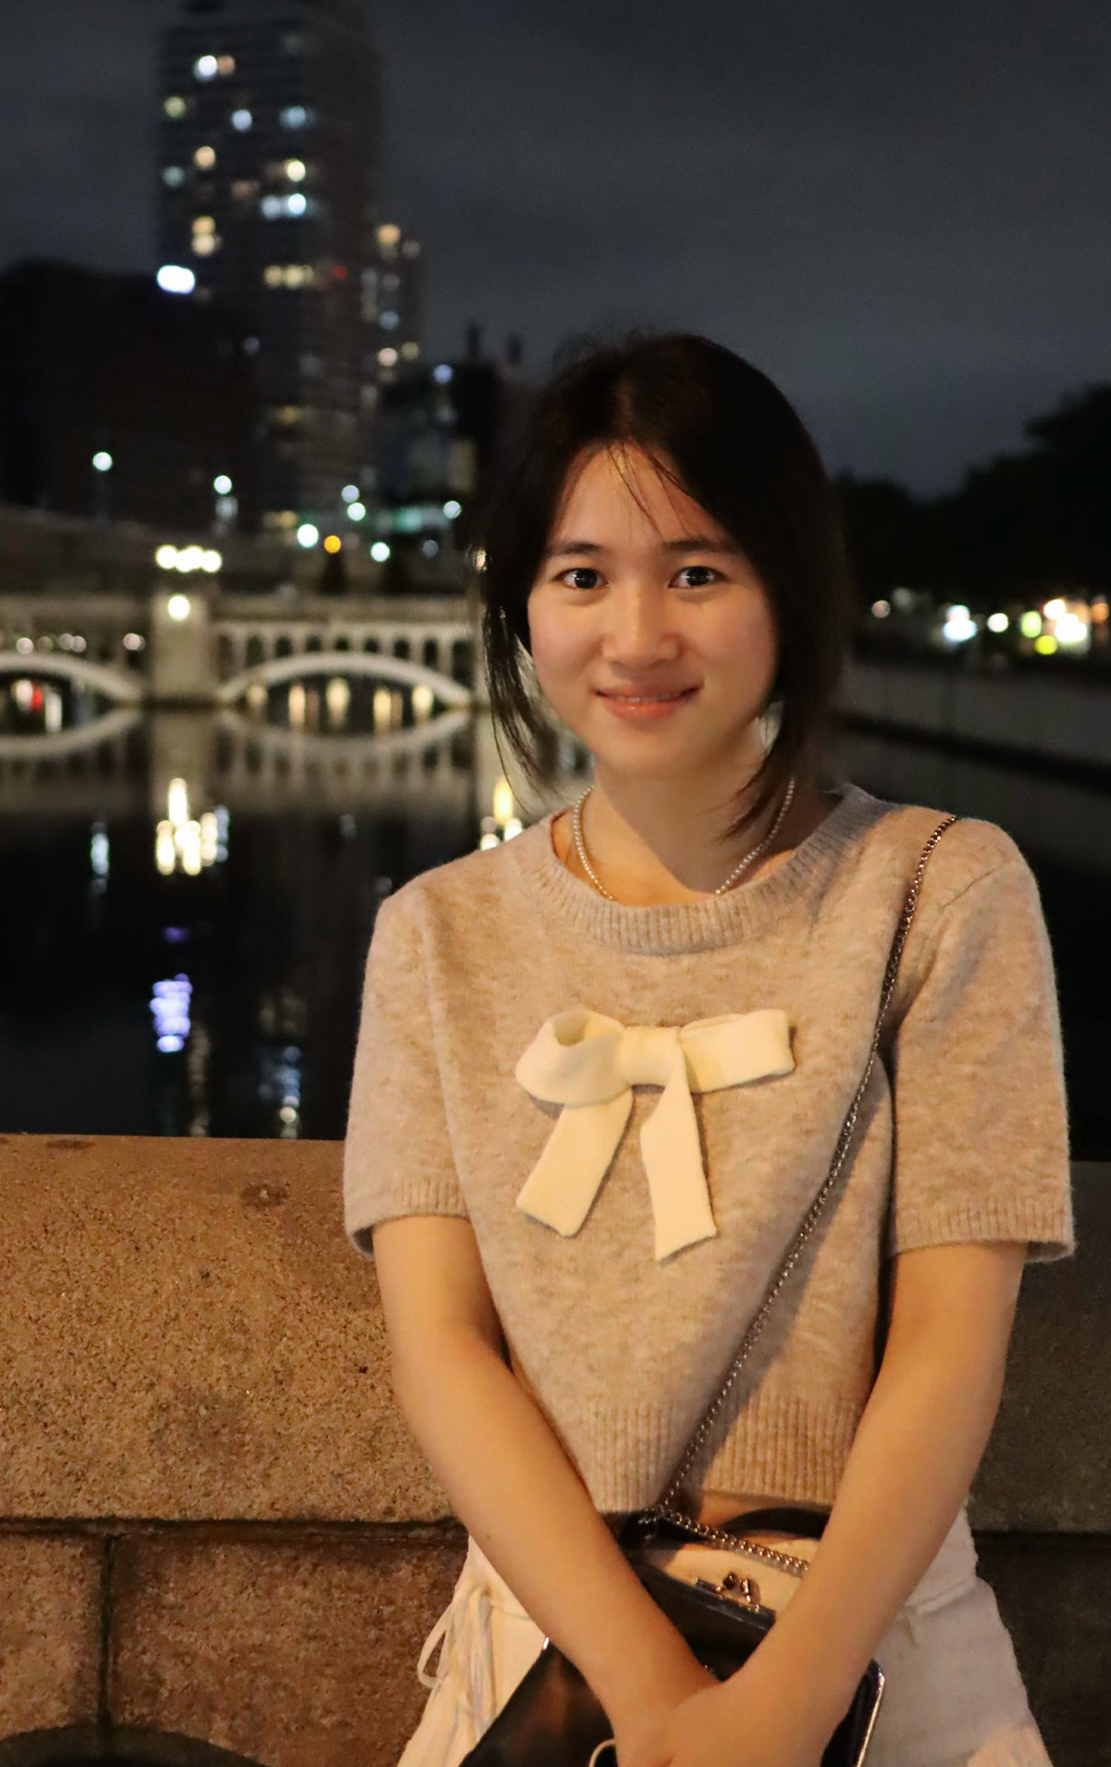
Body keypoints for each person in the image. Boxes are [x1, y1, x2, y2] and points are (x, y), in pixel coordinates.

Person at [343, 333, 1074, 1767]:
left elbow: (950, 1336)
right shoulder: (438, 934)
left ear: (789, 588)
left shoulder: (940, 891)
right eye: (581, 576)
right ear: (522, 604)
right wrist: (654, 1694)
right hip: (543, 1663)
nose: (635, 637)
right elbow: (440, 1346)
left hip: (884, 1665)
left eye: (696, 572)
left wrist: (787, 1702)